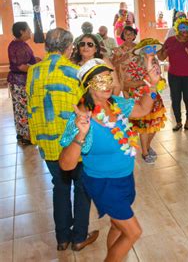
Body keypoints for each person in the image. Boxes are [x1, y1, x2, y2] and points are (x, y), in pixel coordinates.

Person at [59, 56, 160, 261]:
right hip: (103, 183)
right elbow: (66, 164)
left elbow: (142, 109)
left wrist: (153, 84)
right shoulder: (81, 116)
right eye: (100, 80)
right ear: (87, 85)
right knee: (133, 232)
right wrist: (81, 134)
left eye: (109, 78)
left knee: (117, 225)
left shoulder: (115, 103)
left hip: (125, 177)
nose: (108, 84)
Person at [26, 28, 99, 251]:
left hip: (47, 143)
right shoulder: (76, 72)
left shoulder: (33, 71)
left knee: (59, 186)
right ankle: (78, 237)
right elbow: (87, 109)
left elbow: (30, 105)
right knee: (82, 188)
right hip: (74, 143)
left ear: (47, 46)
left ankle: (62, 239)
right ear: (69, 48)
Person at [121, 39, 167, 163]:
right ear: (142, 51)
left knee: (155, 125)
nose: (152, 50)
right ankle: (145, 152)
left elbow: (159, 78)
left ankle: (147, 145)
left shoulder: (156, 62)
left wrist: (161, 81)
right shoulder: (134, 63)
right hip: (140, 99)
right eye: (148, 48)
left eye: (153, 48)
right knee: (145, 127)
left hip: (154, 97)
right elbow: (126, 83)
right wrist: (144, 82)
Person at [158, 17, 188, 131]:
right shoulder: (170, 41)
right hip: (174, 75)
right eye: (183, 30)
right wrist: (162, 51)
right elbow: (161, 57)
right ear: (177, 30)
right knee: (176, 99)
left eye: (187, 30)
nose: (185, 33)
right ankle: (178, 122)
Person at [7, 22, 37, 145]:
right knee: (23, 108)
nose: (30, 31)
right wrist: (37, 68)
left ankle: (22, 134)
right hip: (20, 82)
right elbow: (21, 66)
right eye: (28, 29)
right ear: (21, 32)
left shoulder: (19, 44)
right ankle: (26, 136)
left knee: (20, 108)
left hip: (20, 81)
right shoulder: (18, 46)